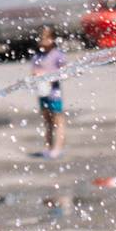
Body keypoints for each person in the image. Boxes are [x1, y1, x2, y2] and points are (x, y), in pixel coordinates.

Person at [30, 25, 67, 159]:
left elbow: (65, 72)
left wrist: (50, 75)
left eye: (46, 38)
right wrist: (36, 75)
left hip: (54, 93)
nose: (43, 41)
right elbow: (33, 72)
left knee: (58, 120)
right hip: (42, 93)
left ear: (53, 39)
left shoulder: (57, 55)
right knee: (47, 121)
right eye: (40, 39)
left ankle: (58, 147)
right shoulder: (37, 56)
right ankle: (48, 147)